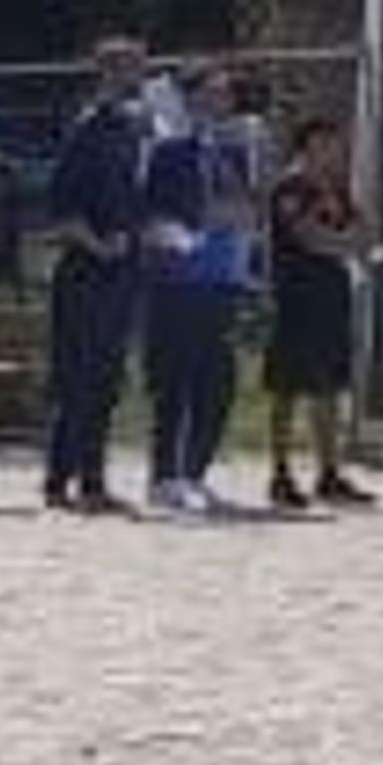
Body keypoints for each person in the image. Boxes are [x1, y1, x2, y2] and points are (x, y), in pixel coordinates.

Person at [139, 63, 260, 516]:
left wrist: (239, 218)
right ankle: (163, 476)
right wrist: (194, 223)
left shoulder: (233, 152)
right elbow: (152, 212)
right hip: (178, 283)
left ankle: (194, 472)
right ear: (190, 101)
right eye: (211, 94)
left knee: (218, 383)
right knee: (173, 382)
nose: (220, 103)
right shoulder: (169, 152)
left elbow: (246, 209)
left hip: (222, 281)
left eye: (226, 95)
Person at [42, 35, 152, 514]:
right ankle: (59, 479)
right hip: (86, 271)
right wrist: (100, 244)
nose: (138, 78)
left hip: (122, 271)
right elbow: (62, 207)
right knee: (77, 381)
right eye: (130, 69)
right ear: (107, 72)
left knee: (106, 382)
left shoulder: (131, 131)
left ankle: (92, 480)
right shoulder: (87, 129)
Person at [263, 113, 374, 512]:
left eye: (338, 144)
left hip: (332, 295)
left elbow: (364, 234)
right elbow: (306, 237)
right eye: (328, 143)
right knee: (287, 388)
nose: (337, 151)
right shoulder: (290, 186)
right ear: (309, 144)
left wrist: (341, 242)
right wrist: (342, 243)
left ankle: (328, 473)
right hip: (297, 298)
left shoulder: (336, 187)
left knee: (328, 386)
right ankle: (280, 473)